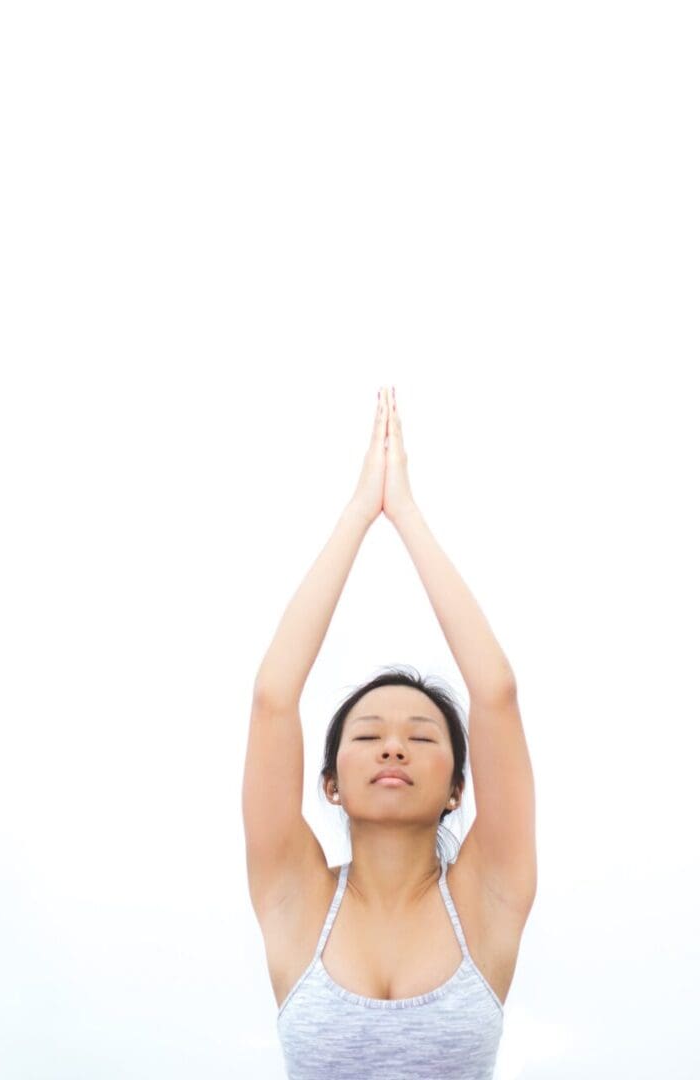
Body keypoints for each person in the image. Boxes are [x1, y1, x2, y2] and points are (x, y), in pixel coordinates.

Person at [244, 386, 537, 1079]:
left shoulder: (488, 897)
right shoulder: (295, 896)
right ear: (330, 784)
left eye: (424, 737)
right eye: (369, 735)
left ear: (458, 789)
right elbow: (272, 700)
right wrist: (356, 514)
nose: (394, 746)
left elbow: (495, 694)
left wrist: (403, 512)